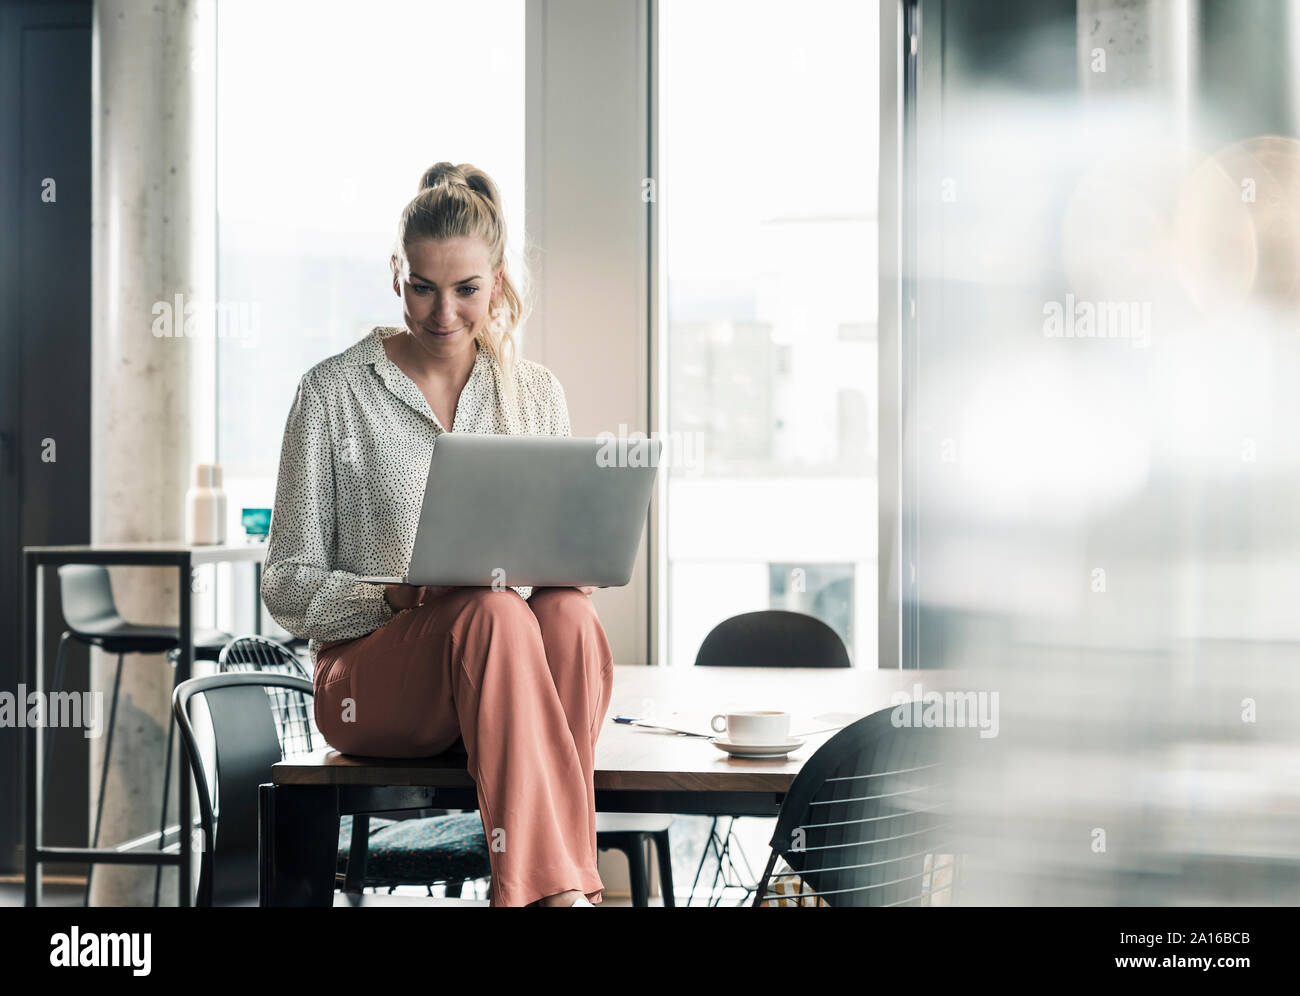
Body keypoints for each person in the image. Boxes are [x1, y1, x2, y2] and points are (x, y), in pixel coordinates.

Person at [260, 161, 613, 908]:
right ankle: (560, 895)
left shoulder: (536, 392)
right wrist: (395, 594)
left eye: (466, 289)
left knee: (568, 615)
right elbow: (285, 584)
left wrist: (571, 562)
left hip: (499, 674)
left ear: (497, 280)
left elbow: (557, 562)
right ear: (396, 273)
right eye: (423, 285)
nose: (442, 311)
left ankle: (545, 888)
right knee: (487, 611)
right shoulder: (332, 392)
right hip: (372, 685)